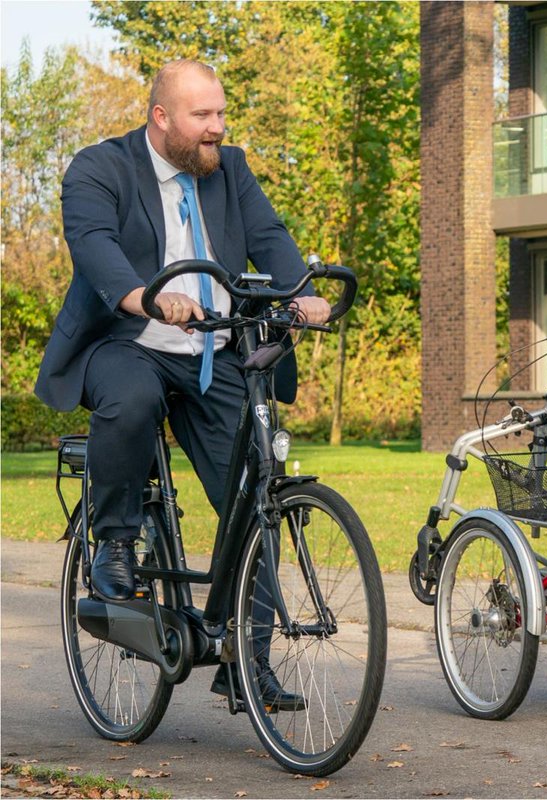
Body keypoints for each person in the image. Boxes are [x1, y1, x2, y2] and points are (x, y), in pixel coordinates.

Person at [36, 59, 330, 709]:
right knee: (132, 398)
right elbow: (94, 244)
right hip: (128, 341)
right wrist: (144, 295)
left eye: (221, 113)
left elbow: (269, 237)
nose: (217, 127)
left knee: (256, 491)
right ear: (161, 117)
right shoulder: (101, 168)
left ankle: (244, 661)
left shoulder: (231, 170)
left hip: (212, 349)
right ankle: (115, 542)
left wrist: (300, 294)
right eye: (203, 116)